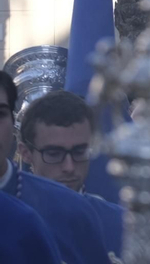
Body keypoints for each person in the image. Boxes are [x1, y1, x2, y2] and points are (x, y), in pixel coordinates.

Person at [0, 74, 115, 264]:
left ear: (12, 121)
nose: (69, 167)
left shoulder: (73, 209)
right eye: (54, 153)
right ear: (26, 152)